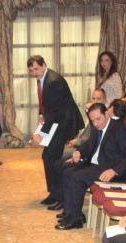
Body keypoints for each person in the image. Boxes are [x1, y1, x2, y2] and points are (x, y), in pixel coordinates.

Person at [54, 103, 126, 230]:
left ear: (107, 114)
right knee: (67, 171)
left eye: (98, 119)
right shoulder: (96, 128)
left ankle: (75, 220)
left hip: (112, 171)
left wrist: (114, 171)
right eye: (93, 121)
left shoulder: (120, 130)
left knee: (77, 177)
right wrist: (79, 152)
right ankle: (72, 212)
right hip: (97, 165)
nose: (96, 123)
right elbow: (88, 145)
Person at [28, 55, 85, 207]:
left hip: (64, 124)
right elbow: (45, 102)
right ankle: (54, 193)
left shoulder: (53, 81)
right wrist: (41, 115)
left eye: (36, 69)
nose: (34, 73)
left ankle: (60, 196)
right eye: (31, 70)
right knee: (48, 157)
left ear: (44, 65)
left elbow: (54, 113)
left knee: (51, 158)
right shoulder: (44, 78)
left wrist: (41, 134)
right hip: (57, 122)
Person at [61, 88, 107, 161]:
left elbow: (92, 139)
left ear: (104, 101)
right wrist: (76, 140)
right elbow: (85, 132)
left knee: (58, 154)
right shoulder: (92, 112)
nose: (95, 101)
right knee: (55, 151)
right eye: (93, 98)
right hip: (80, 144)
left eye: (98, 99)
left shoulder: (103, 117)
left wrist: (77, 142)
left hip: (85, 150)